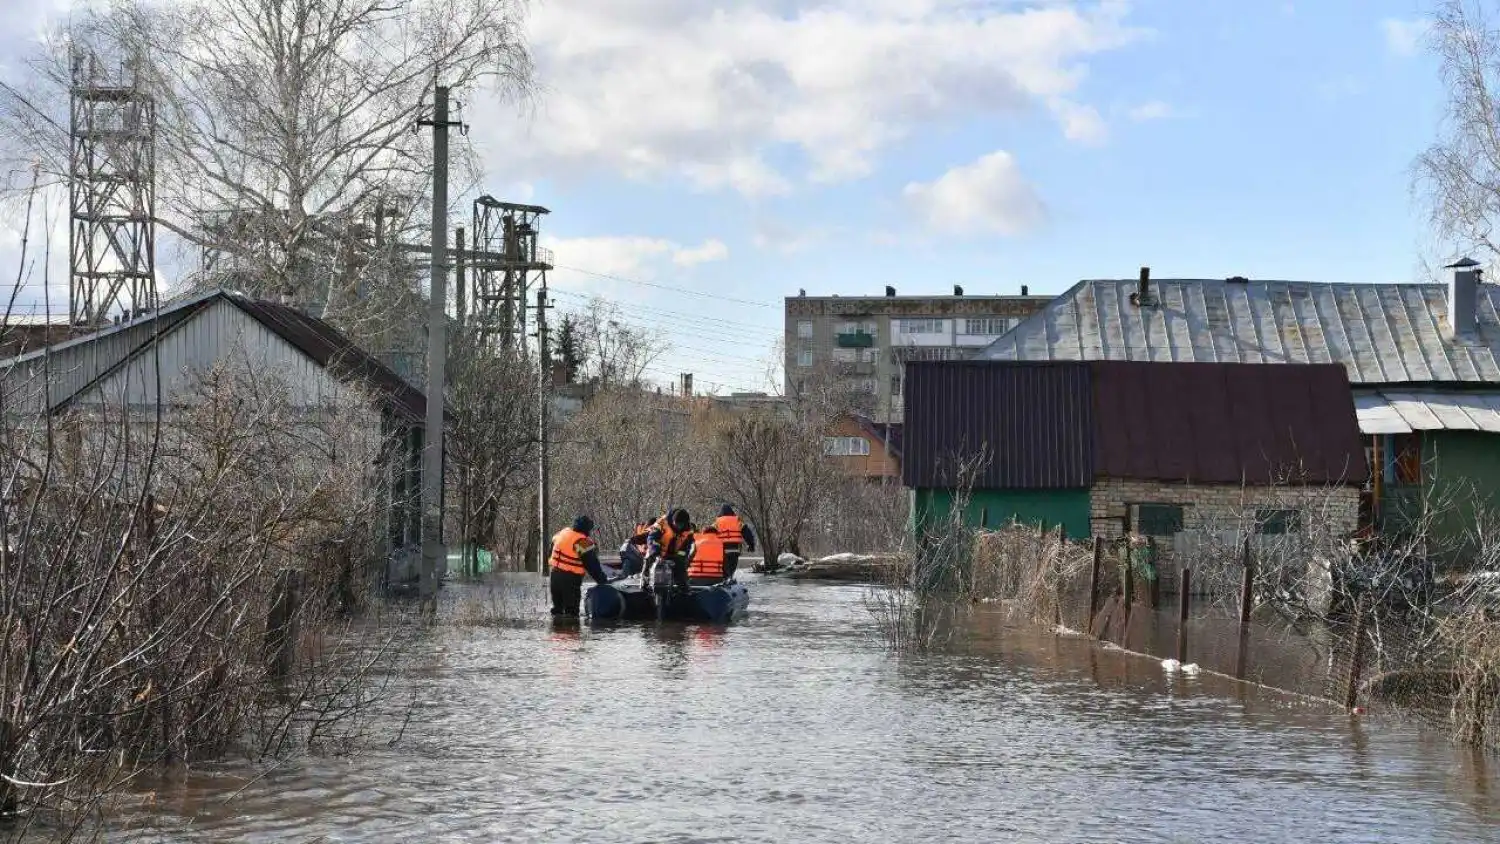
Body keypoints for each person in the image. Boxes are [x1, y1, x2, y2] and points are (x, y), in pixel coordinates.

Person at [549, 515, 609, 617]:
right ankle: (572, 631)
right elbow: (592, 566)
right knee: (571, 613)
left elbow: (551, 551)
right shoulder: (582, 541)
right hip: (570, 580)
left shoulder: (562, 533)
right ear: (586, 529)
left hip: (554, 577)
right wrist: (603, 582)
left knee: (557, 611)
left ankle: (555, 631)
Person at [647, 508, 695, 593]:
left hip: (675, 555)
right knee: (649, 559)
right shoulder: (661, 523)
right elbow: (652, 538)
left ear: (684, 524)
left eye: (680, 524)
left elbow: (686, 548)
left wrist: (680, 559)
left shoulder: (688, 531)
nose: (677, 526)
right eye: (675, 523)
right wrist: (656, 554)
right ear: (672, 520)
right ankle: (645, 581)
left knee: (681, 570)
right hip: (658, 553)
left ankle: (684, 592)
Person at [714, 504, 756, 581]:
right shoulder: (737, 520)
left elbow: (709, 533)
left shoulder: (717, 522)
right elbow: (747, 532)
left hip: (722, 552)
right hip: (734, 551)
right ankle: (730, 582)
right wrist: (751, 544)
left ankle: (725, 583)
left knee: (724, 572)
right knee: (731, 570)